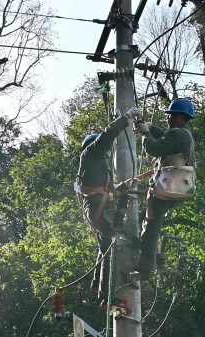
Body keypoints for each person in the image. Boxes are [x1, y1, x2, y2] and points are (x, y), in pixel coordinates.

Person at [76, 106, 141, 307]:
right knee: (112, 247)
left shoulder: (95, 167)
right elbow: (107, 135)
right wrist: (127, 117)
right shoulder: (90, 154)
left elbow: (110, 188)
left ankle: (98, 285)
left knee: (105, 246)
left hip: (97, 207)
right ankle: (106, 297)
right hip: (97, 208)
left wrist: (127, 187)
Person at [133, 98, 196, 279]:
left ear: (178, 117)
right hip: (177, 189)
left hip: (166, 189)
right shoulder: (185, 134)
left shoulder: (178, 135)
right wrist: (152, 128)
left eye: (170, 116)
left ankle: (145, 268)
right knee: (146, 220)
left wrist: (145, 133)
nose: (168, 119)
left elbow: (153, 148)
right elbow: (168, 138)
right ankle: (150, 255)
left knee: (150, 226)